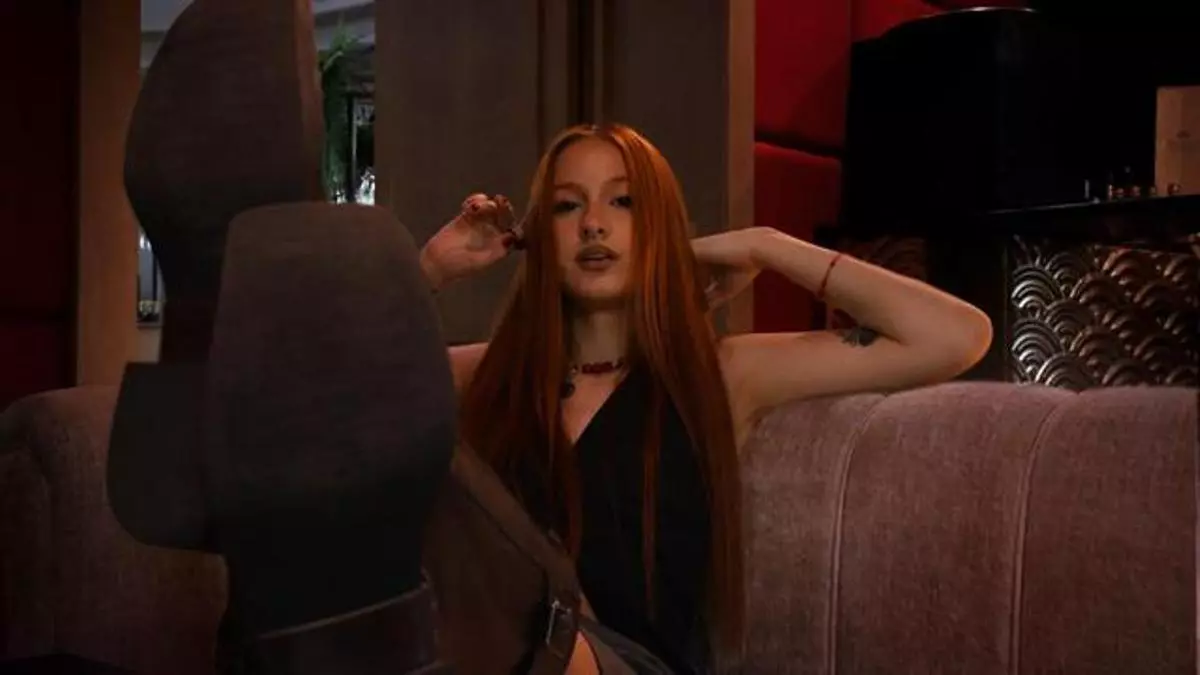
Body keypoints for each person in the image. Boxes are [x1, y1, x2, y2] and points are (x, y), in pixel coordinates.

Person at [416, 123, 995, 674]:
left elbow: (955, 336)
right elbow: (360, 388)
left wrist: (765, 245)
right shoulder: (496, 375)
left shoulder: (717, 374)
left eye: (624, 202)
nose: (593, 224)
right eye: (568, 206)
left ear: (660, 228)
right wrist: (431, 270)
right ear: (539, 235)